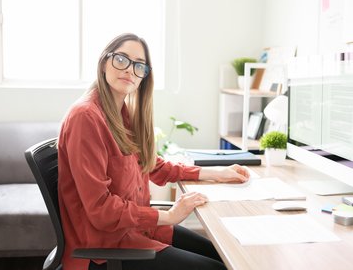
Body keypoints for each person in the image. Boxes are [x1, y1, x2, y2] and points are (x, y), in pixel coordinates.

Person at [57, 33, 250, 270]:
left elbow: (151, 165)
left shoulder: (120, 112)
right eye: (121, 59)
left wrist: (214, 173)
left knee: (224, 254)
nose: (130, 70)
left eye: (139, 66)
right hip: (105, 247)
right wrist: (168, 216)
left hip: (134, 230)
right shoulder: (86, 117)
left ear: (144, 76)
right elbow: (100, 209)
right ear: (104, 62)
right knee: (218, 267)